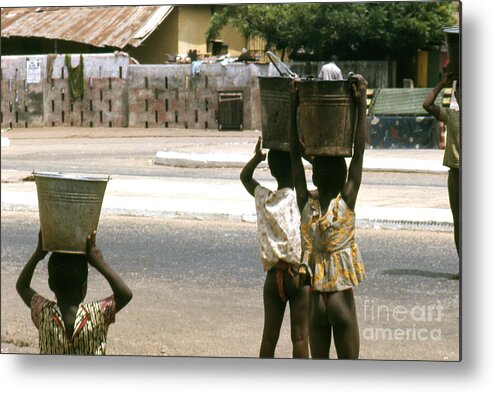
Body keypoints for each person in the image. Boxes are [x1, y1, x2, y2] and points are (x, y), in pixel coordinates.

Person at [289, 74, 368, 359]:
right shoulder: (346, 201)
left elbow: (293, 159)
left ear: (315, 175)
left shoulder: (307, 205)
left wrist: (293, 106)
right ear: (344, 176)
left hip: (316, 301)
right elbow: (358, 152)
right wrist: (361, 104)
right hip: (339, 297)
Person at [240, 138, 309, 358]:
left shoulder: (265, 198)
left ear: (271, 171)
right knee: (299, 337)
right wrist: (302, 153)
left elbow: (245, 177)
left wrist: (257, 158)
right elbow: (325, 175)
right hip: (297, 275)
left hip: (272, 278)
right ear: (295, 168)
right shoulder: (299, 197)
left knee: (269, 338)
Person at [16, 230, 133, 355]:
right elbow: (125, 294)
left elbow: (22, 286)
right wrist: (99, 262)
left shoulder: (43, 312)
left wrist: (38, 253)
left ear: (50, 285)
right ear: (84, 287)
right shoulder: (98, 314)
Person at [423, 66, 460, 278]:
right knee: (459, 223)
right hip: (455, 174)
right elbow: (426, 104)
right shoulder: (451, 116)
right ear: (457, 96)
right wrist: (442, 83)